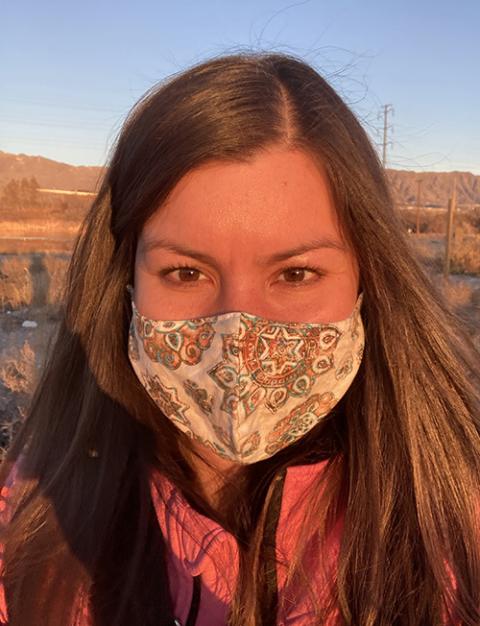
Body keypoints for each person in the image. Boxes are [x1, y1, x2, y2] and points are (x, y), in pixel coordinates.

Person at [0, 51, 479, 626]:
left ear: (367, 280)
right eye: (185, 273)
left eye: (296, 274)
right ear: (125, 283)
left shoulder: (452, 525)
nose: (238, 339)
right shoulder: (41, 510)